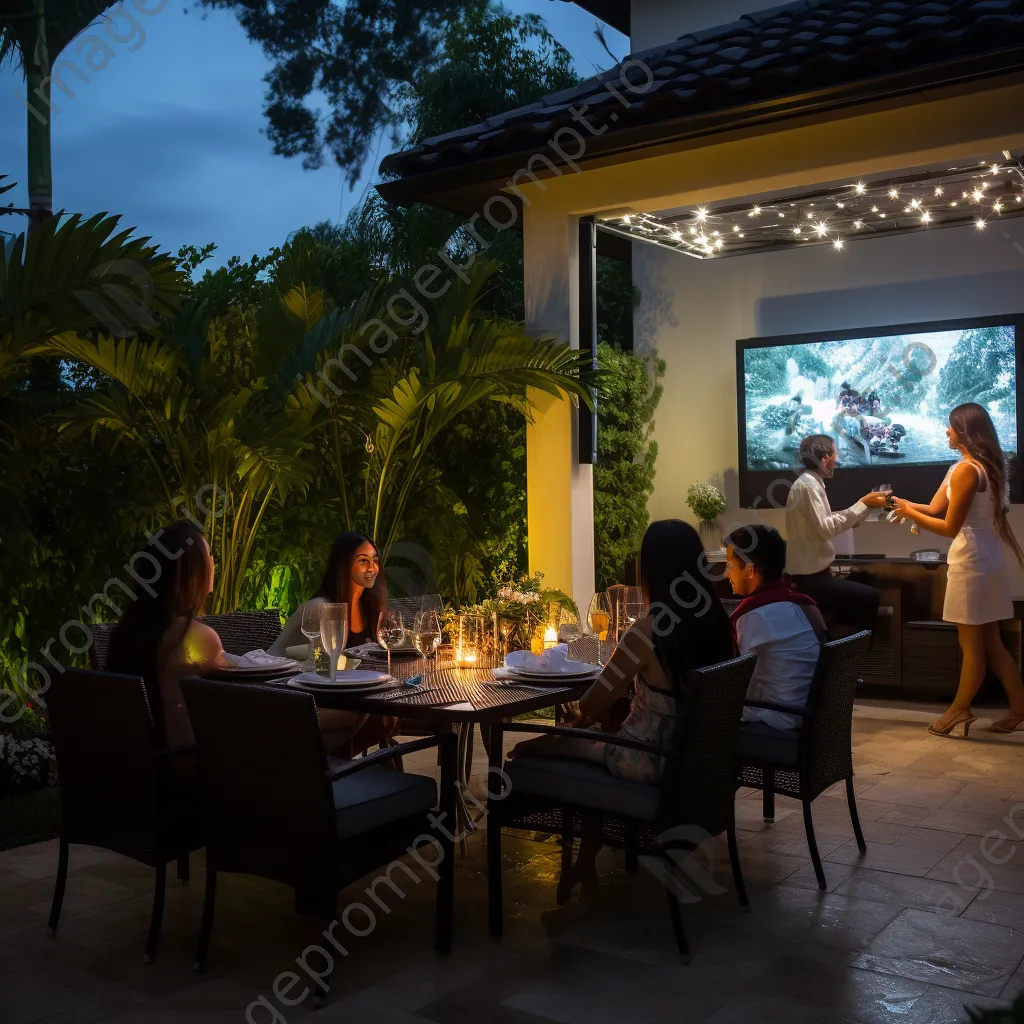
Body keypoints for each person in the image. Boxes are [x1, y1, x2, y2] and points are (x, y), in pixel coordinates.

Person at [508, 520, 734, 902]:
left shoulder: (648, 630)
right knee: (589, 732)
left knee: (555, 743)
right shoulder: (718, 623)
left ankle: (525, 783)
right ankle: (583, 856)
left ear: (650, 571)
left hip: (650, 760)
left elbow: (591, 704)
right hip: (699, 762)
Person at [890, 403, 1024, 736]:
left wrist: (908, 515)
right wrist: (899, 504)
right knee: (991, 642)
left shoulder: (966, 471)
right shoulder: (974, 468)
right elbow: (935, 508)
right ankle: (1020, 710)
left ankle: (959, 710)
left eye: (950, 426)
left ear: (964, 432)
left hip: (972, 565)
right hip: (987, 562)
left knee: (973, 647)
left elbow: (949, 527)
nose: (946, 431)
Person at [108, 521, 230, 748]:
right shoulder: (192, 637)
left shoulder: (127, 631)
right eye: (209, 555)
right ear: (187, 572)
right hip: (182, 771)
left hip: (132, 768)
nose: (213, 563)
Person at [270, 532, 394, 754]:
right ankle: (329, 768)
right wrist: (359, 661)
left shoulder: (369, 608)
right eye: (363, 560)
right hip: (291, 698)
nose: (372, 568)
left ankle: (339, 768)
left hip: (332, 693)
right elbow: (322, 667)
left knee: (389, 716)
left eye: (375, 560)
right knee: (382, 715)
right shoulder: (321, 608)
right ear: (343, 565)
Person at [725, 526, 827, 758]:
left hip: (780, 723)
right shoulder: (806, 604)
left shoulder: (753, 616)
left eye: (729, 564)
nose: (725, 573)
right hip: (815, 720)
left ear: (750, 570)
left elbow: (737, 684)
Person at [785, 434, 889, 638]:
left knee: (865, 582)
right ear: (825, 458)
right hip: (810, 581)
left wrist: (866, 506)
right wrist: (863, 503)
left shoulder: (810, 483)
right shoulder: (808, 486)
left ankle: (840, 646)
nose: (838, 457)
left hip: (815, 577)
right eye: (835, 452)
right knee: (871, 597)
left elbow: (827, 520)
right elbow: (826, 528)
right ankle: (852, 654)